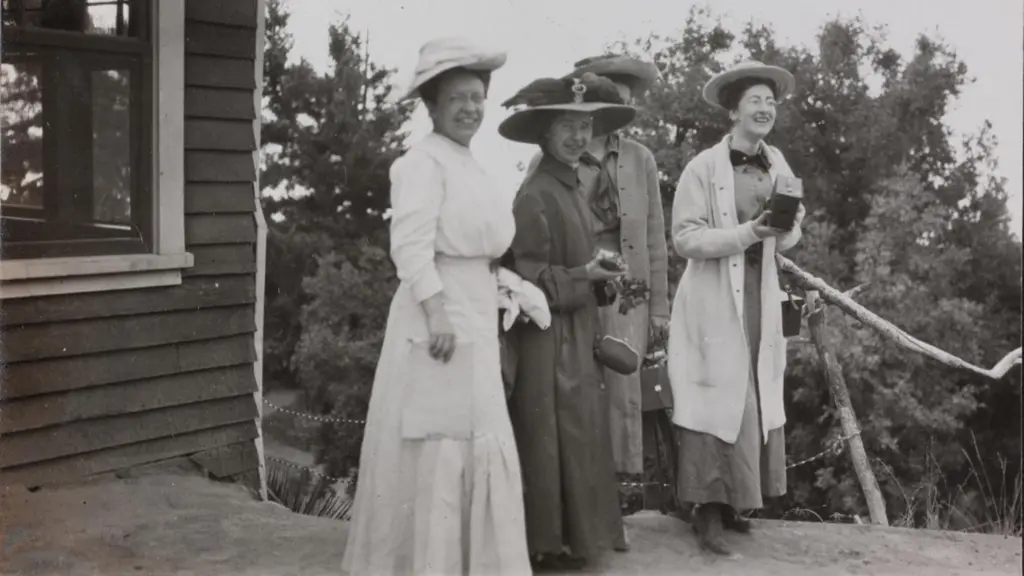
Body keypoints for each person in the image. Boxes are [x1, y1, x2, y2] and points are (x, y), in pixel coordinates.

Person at [341, 37, 531, 576]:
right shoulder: (420, 162)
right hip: (439, 315)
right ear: (432, 106)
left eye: (477, 96)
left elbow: (487, 243)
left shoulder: (470, 162)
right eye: (457, 99)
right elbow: (410, 247)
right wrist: (437, 313)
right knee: (440, 443)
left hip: (474, 305)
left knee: (477, 436)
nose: (470, 108)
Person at [666, 60, 806, 556]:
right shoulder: (704, 167)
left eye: (770, 101)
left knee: (750, 390)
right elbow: (685, 237)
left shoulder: (777, 163)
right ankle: (705, 509)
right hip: (713, 299)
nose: (765, 109)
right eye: (755, 101)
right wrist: (751, 231)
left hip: (758, 295)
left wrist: (784, 226)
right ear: (733, 111)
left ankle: (733, 504)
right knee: (714, 394)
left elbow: (790, 234)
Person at [498, 73, 636, 571]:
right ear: (544, 134)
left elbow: (572, 262)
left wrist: (602, 275)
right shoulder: (535, 194)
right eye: (566, 127)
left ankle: (575, 538)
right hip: (545, 338)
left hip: (574, 332)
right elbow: (527, 278)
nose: (578, 136)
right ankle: (549, 545)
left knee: (577, 433)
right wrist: (586, 274)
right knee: (552, 436)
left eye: (584, 125)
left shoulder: (572, 186)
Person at [524, 54, 670, 481]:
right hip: (577, 281)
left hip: (631, 285)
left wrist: (659, 307)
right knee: (580, 378)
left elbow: (655, 237)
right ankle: (582, 484)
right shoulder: (556, 155)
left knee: (624, 378)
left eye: (625, 100)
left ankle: (623, 485)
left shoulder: (640, 159)